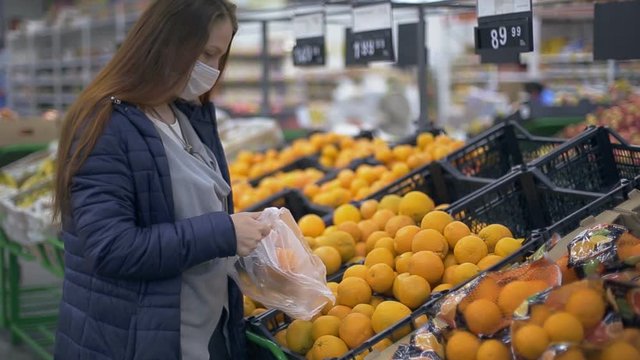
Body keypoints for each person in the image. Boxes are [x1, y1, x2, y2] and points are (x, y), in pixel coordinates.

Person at [52, 1, 270, 359]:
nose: (213, 69)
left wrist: (247, 243)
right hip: (136, 341)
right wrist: (224, 233)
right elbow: (110, 248)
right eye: (206, 53)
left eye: (220, 57)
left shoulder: (187, 114)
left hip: (199, 331)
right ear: (167, 42)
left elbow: (186, 217)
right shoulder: (106, 124)